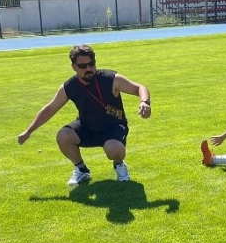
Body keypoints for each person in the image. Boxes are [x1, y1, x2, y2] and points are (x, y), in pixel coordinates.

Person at [18, 45, 151, 185]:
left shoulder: (110, 79)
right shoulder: (69, 86)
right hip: (87, 126)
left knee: (114, 150)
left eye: (91, 64)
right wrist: (29, 131)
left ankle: (119, 165)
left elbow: (139, 88)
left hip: (113, 127)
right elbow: (50, 109)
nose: (88, 69)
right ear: (73, 67)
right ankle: (81, 169)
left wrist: (144, 102)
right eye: (82, 66)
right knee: (63, 136)